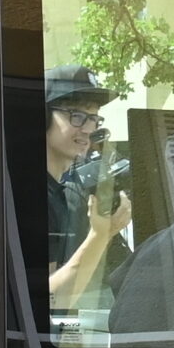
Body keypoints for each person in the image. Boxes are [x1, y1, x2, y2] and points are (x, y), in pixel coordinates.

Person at [41, 65, 132, 310]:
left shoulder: (59, 194)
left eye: (93, 118)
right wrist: (100, 235)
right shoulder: (32, 199)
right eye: (77, 116)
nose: (89, 129)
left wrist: (108, 231)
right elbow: (48, 301)